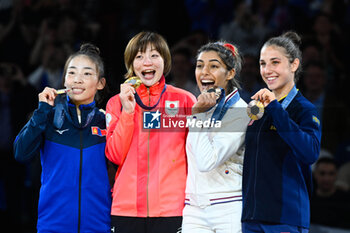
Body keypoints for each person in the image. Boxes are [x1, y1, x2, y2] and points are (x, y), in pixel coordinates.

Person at [13, 43, 111, 233]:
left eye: (87, 74)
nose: (78, 79)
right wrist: (41, 113)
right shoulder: (47, 116)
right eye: (72, 73)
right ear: (64, 80)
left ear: (100, 83)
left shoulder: (107, 121)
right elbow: (20, 153)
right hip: (53, 225)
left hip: (99, 225)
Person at [105, 31, 196, 233]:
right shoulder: (116, 103)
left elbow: (197, 157)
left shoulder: (186, 101)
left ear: (165, 60)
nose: (147, 62)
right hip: (126, 210)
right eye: (139, 56)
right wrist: (128, 112)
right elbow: (115, 155)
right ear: (131, 64)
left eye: (154, 55)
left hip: (173, 209)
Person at [241, 31, 322, 233]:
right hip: (251, 216)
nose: (267, 70)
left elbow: (310, 152)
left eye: (275, 62)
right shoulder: (256, 109)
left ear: (294, 65)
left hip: (285, 218)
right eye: (262, 63)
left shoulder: (304, 109)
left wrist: (275, 108)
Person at [182, 41, 250, 233]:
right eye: (199, 65)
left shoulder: (241, 111)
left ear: (230, 73)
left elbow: (206, 161)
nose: (204, 72)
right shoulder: (201, 106)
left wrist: (197, 116)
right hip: (193, 208)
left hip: (228, 207)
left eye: (213, 66)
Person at [310, 157, 350, 230]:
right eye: (322, 173)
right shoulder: (307, 200)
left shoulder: (347, 200)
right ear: (315, 174)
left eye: (331, 174)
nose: (326, 178)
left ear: (336, 175)